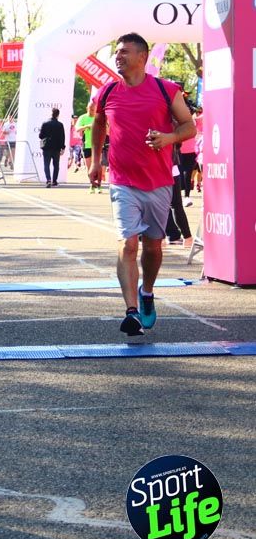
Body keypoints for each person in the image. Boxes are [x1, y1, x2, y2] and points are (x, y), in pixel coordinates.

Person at [88, 33, 195, 337]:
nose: (118, 56)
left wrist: (169, 138)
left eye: (124, 52)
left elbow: (189, 126)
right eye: (117, 52)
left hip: (158, 182)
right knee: (127, 243)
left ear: (142, 57)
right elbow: (99, 123)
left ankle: (147, 291)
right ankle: (131, 311)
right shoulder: (108, 91)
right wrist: (95, 161)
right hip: (122, 181)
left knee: (153, 246)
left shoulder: (165, 90)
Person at [39, 107, 66, 188]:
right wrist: (63, 147)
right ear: (58, 115)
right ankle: (54, 181)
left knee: (46, 164)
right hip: (56, 147)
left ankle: (48, 180)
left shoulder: (45, 123)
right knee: (56, 165)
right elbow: (62, 137)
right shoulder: (60, 125)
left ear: (51, 114)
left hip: (47, 147)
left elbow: (41, 136)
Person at [76, 103, 99, 192]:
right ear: (87, 108)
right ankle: (92, 184)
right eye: (90, 109)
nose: (92, 111)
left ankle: (98, 185)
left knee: (97, 166)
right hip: (87, 145)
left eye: (93, 109)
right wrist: (87, 126)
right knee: (89, 167)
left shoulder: (98, 117)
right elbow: (77, 129)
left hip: (97, 145)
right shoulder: (82, 117)